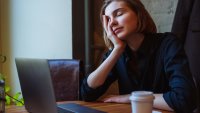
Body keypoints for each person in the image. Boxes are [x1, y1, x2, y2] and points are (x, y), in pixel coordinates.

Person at [81, 0, 197, 112]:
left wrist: (129, 98)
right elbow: (87, 93)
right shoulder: (118, 54)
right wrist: (117, 50)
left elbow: (184, 99)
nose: (112, 23)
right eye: (108, 20)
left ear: (138, 13)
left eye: (119, 14)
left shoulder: (168, 44)